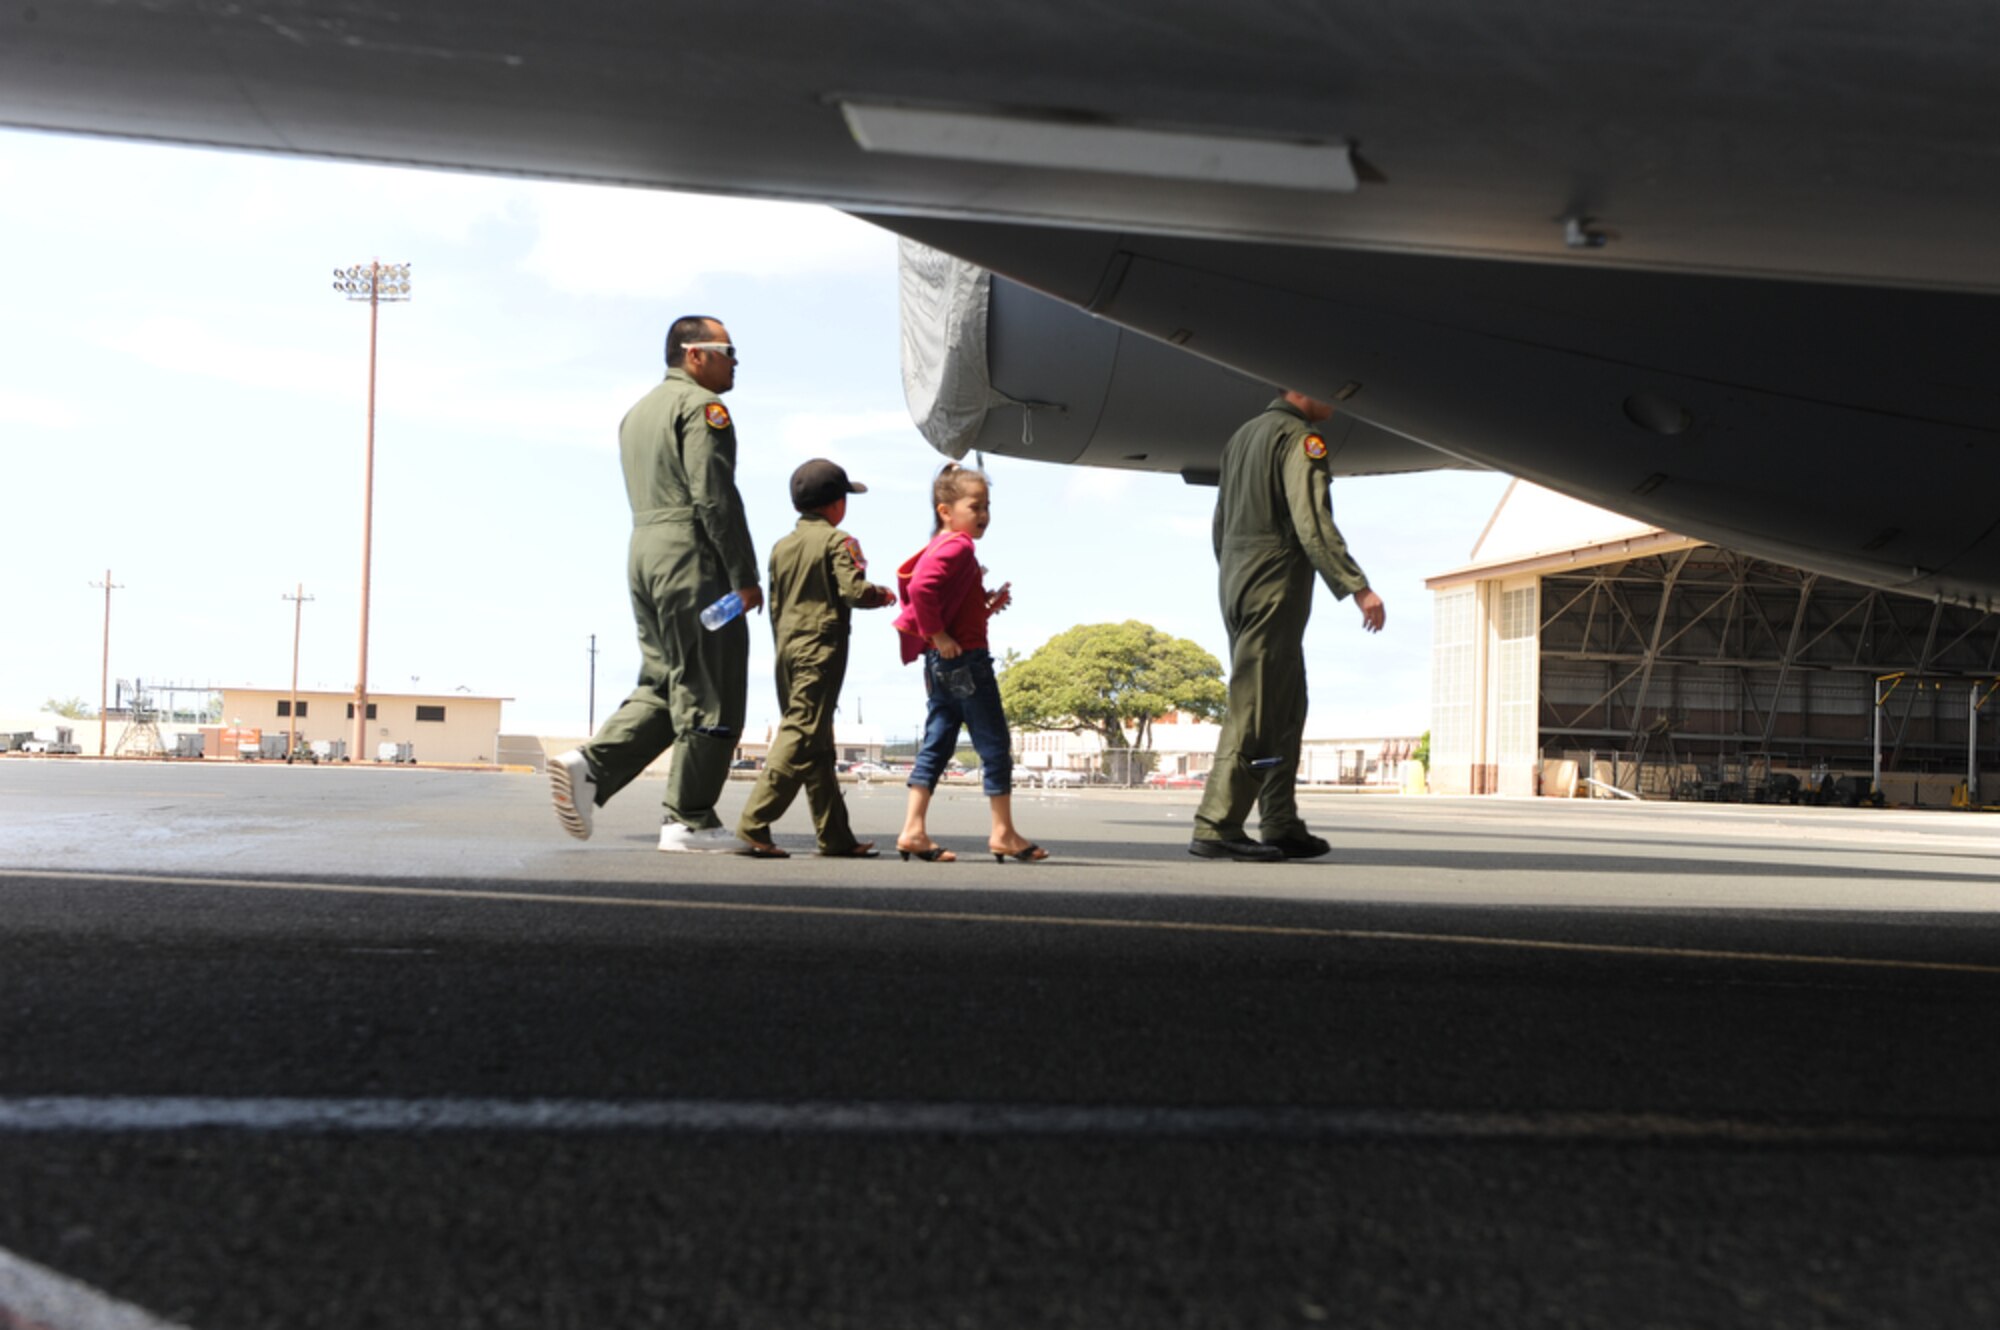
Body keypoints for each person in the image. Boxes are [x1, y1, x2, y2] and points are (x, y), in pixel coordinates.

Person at [547, 315, 762, 853]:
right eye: (728, 350)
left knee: (667, 680)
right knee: (713, 684)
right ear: (694, 354)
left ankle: (591, 766)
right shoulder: (702, 408)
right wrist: (745, 576)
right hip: (695, 557)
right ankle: (689, 818)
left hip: (645, 551)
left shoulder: (637, 413)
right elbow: (714, 496)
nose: (736, 361)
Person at [1190, 391, 1387, 862]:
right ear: (1300, 389)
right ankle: (1217, 823)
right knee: (1256, 703)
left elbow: (1219, 524)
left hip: (1237, 579)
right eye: (1331, 390)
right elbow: (1311, 520)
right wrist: (1357, 586)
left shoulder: (1242, 436)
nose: (1339, 400)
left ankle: (1280, 820)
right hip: (1273, 583)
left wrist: (1236, 574)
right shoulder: (1301, 438)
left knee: (1286, 701)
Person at [735, 458, 898, 859]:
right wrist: (882, 594)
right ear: (836, 504)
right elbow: (854, 593)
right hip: (819, 650)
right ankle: (753, 823)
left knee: (819, 744)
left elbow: (776, 604)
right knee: (804, 731)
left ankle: (836, 836)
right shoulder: (839, 542)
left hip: (786, 650)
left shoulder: (781, 547)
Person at [892, 463, 1046, 864]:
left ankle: (913, 830)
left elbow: (946, 601)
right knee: (994, 745)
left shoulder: (941, 546)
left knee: (937, 744)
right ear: (946, 510)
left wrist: (985, 605)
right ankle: (1003, 832)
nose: (984, 516)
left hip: (942, 664)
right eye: (975, 506)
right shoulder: (959, 547)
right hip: (967, 662)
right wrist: (939, 635)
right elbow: (924, 588)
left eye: (987, 507)